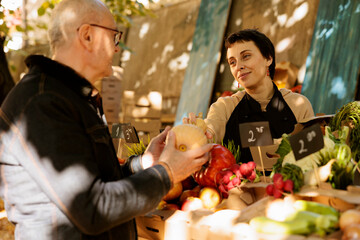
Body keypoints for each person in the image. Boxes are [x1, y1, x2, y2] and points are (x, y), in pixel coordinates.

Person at [0, 0, 213, 239]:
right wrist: (167, 173)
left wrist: (143, 163)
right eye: (114, 36)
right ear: (87, 36)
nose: (117, 48)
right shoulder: (42, 103)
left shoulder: (70, 96)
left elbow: (99, 182)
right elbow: (93, 208)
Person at [189, 29, 314, 163]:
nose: (239, 66)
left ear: (268, 58)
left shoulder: (298, 104)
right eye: (232, 62)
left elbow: (311, 154)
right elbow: (210, 131)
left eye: (246, 56)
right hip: (239, 183)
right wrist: (198, 132)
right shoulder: (224, 107)